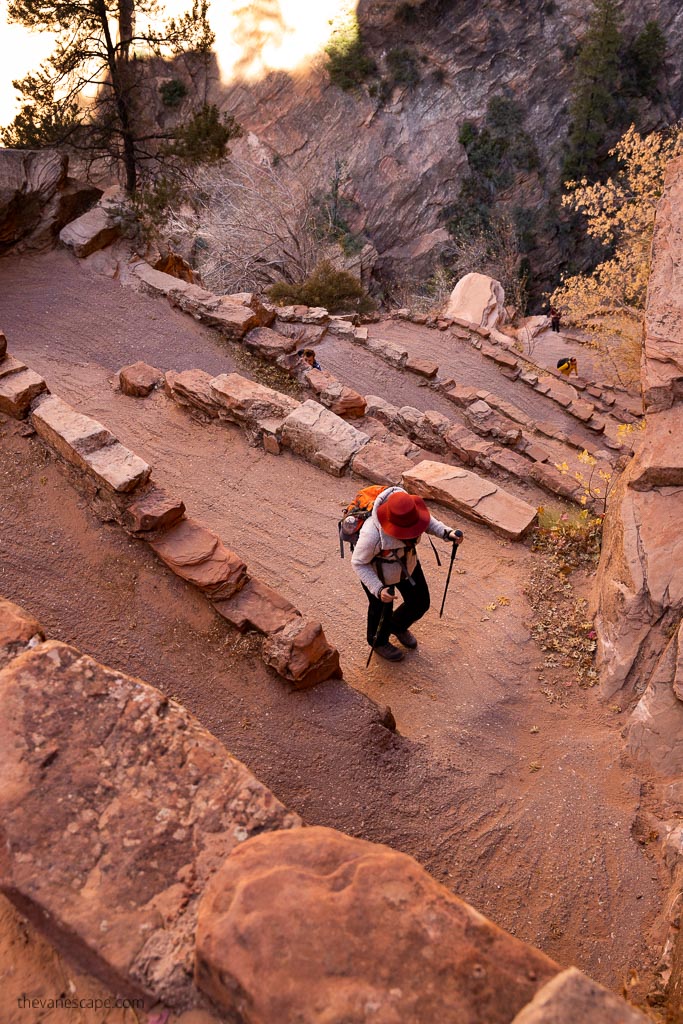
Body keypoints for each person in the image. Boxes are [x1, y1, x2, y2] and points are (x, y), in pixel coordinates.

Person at [351, 486, 462, 662]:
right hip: (378, 574)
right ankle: (378, 642)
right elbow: (358, 563)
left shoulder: (409, 509)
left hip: (407, 564)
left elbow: (427, 521)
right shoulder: (371, 535)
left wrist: (447, 533)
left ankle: (397, 625)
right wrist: (378, 589)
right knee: (381, 611)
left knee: (420, 602)